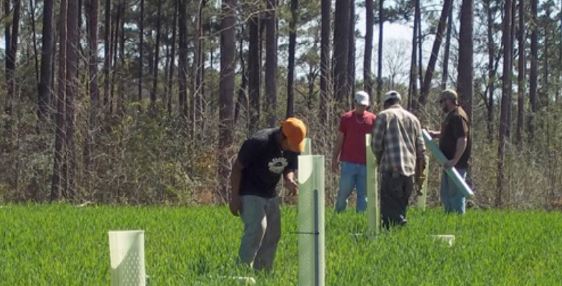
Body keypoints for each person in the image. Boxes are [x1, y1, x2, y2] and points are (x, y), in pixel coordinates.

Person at [229, 117, 307, 271]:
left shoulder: (292, 147)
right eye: (291, 145)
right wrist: (234, 197)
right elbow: (237, 168)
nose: (293, 149)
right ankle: (242, 272)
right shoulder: (259, 142)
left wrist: (290, 180)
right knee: (258, 227)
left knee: (273, 233)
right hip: (249, 190)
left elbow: (288, 168)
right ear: (282, 136)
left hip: (270, 193)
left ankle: (262, 273)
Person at [371, 90, 425, 229]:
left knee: (390, 215)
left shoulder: (383, 116)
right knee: (401, 207)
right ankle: (400, 235)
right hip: (409, 172)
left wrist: (378, 159)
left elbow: (376, 144)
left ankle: (393, 238)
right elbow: (421, 149)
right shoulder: (413, 119)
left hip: (391, 170)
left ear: (386, 103)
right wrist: (420, 173)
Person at [331, 91, 377, 213]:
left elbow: (376, 141)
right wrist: (334, 159)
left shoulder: (373, 119)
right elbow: (340, 139)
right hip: (348, 163)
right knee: (342, 194)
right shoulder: (346, 118)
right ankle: (339, 217)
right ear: (355, 103)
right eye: (360, 105)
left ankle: (360, 220)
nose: (362, 107)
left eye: (364, 105)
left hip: (366, 164)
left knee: (364, 197)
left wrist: (376, 160)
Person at [428, 89, 471, 214]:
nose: (442, 105)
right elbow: (450, 134)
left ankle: (457, 224)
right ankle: (449, 221)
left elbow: (462, 139)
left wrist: (455, 160)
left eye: (442, 101)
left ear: (449, 100)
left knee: (455, 196)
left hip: (456, 164)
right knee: (446, 196)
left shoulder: (458, 116)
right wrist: (435, 135)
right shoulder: (451, 116)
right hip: (448, 163)